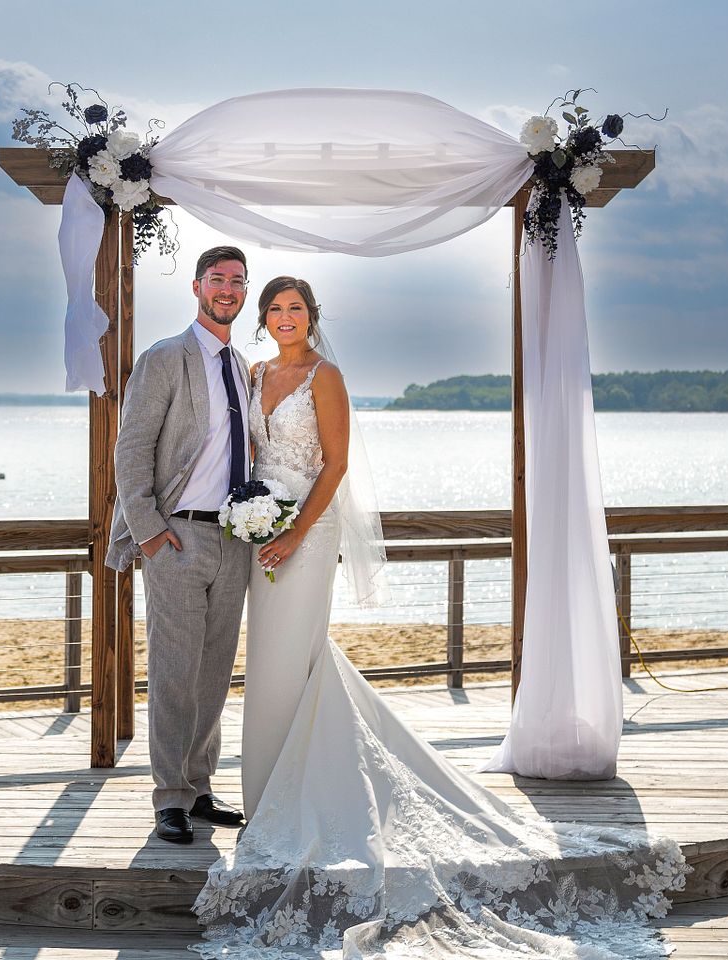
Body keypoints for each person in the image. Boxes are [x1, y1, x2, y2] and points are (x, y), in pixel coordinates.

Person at [192, 277, 688, 959]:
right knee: (273, 662)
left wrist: (295, 531)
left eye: (295, 308)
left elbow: (334, 467)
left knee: (291, 654)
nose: (284, 317)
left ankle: (293, 799)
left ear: (312, 316)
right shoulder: (255, 373)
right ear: (263, 318)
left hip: (306, 531)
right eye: (274, 309)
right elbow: (246, 455)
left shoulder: (324, 375)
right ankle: (270, 797)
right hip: (264, 529)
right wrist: (253, 516)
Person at [106, 246, 252, 844]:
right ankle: (168, 795)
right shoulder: (166, 358)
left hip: (234, 539)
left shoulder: (244, 366)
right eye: (217, 279)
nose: (227, 289)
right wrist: (151, 532)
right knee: (173, 670)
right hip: (178, 537)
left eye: (237, 281)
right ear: (197, 287)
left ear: (246, 292)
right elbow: (131, 449)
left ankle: (199, 787)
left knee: (214, 673)